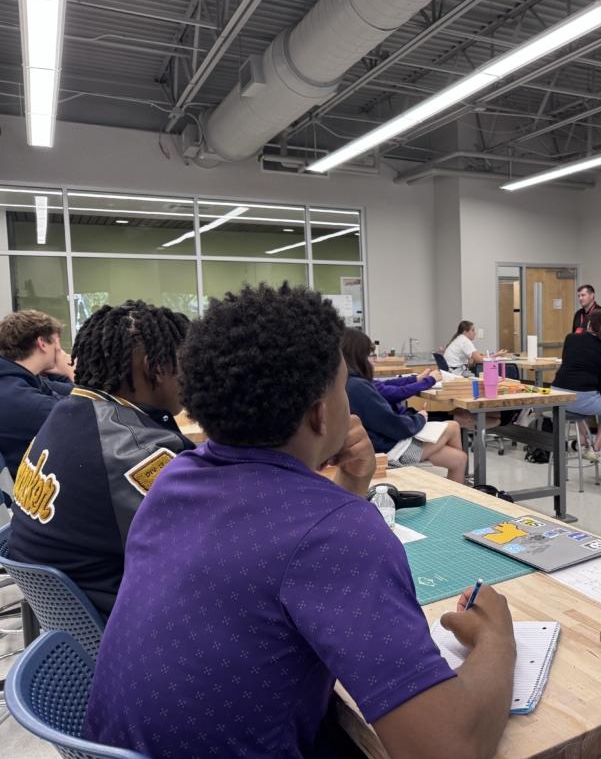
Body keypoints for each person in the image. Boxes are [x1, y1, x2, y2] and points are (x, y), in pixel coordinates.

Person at [83, 283, 516, 759]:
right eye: (343, 383)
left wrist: (350, 487)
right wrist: (497, 639)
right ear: (319, 412)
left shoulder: (173, 480)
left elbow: (274, 545)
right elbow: (448, 751)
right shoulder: (336, 535)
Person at [7, 301, 193, 618]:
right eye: (185, 366)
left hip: (70, 613)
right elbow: (206, 548)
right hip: (123, 626)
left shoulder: (64, 413)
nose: (190, 378)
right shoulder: (133, 451)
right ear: (155, 368)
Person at [344, 327, 468, 483]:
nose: (373, 360)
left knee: (459, 459)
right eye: (370, 356)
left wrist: (415, 380)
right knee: (453, 426)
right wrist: (420, 418)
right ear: (358, 356)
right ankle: (448, 488)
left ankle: (452, 491)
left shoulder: (350, 382)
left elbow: (386, 387)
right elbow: (396, 426)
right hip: (390, 451)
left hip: (383, 443)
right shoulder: (358, 387)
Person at [0, 310, 75, 474]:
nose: (60, 350)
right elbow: (82, 417)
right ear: (42, 343)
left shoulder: (19, 378)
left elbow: (68, 394)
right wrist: (73, 373)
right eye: (57, 342)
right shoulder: (18, 397)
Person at [552, 309, 601, 467]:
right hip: (580, 400)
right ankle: (596, 449)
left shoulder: (571, 338)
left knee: (578, 407)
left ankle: (584, 443)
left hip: (557, 395)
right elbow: (600, 386)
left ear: (588, 323)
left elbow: (567, 361)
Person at [443, 321, 507, 376]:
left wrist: (473, 358)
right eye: (472, 330)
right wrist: (497, 355)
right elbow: (480, 360)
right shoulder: (465, 341)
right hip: (456, 373)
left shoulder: (459, 338)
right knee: (479, 378)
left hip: (450, 371)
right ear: (465, 332)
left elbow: (477, 357)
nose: (475, 333)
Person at [374, 365, 440, 415]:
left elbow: (387, 383)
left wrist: (417, 378)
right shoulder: (366, 384)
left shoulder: (367, 382)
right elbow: (400, 392)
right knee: (449, 424)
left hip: (403, 417)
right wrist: (430, 380)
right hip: (402, 421)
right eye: (371, 355)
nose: (374, 360)